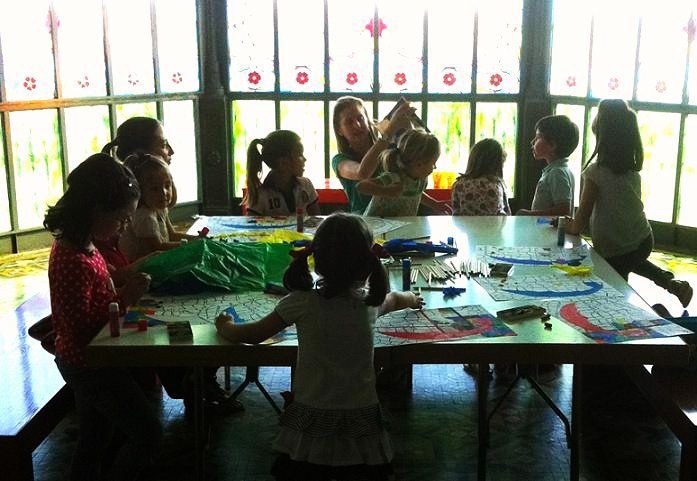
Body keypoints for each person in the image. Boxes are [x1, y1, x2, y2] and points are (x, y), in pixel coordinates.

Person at [215, 213, 424, 481]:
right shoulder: (369, 302)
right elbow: (395, 299)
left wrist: (226, 326)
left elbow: (255, 334)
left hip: (312, 417)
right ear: (366, 260)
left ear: (318, 257)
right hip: (361, 417)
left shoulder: (301, 301)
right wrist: (413, 298)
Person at [44, 153, 161, 481]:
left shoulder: (84, 246)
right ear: (96, 210)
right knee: (148, 434)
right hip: (89, 364)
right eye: (122, 219)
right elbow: (82, 326)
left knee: (94, 438)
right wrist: (125, 298)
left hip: (91, 360)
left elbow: (100, 284)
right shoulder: (72, 259)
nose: (125, 226)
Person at [565, 99, 693, 308]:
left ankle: (640, 317)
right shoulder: (632, 172)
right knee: (632, 258)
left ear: (601, 130)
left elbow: (580, 222)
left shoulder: (596, 173)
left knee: (613, 291)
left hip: (614, 249)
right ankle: (671, 283)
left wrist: (564, 224)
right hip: (642, 239)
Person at [332, 96, 416, 214]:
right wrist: (389, 131)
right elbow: (362, 173)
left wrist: (407, 125)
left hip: (397, 218)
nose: (357, 125)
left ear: (367, 120)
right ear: (339, 130)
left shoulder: (390, 149)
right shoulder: (339, 160)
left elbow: (410, 181)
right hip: (362, 224)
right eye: (349, 122)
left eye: (360, 118)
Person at [118, 153, 196, 261]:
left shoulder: (159, 208)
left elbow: (172, 234)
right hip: (141, 265)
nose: (164, 193)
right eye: (154, 189)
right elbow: (157, 248)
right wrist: (189, 245)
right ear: (140, 191)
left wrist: (197, 239)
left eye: (167, 185)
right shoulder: (144, 216)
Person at [357, 128, 450, 216]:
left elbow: (416, 193)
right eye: (433, 163)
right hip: (378, 226)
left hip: (401, 227)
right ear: (419, 163)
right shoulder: (394, 178)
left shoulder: (420, 181)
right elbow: (361, 186)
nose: (434, 167)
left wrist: (435, 204)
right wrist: (386, 191)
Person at [243, 130, 320, 216]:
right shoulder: (261, 196)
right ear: (283, 163)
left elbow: (316, 221)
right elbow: (252, 227)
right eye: (300, 155)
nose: (304, 159)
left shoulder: (306, 185)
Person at [517, 115, 579, 217]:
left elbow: (563, 209)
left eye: (538, 137)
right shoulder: (561, 170)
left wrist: (530, 215)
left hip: (549, 232)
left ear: (552, 145)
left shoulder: (557, 173)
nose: (532, 142)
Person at [451, 138, 511, 216]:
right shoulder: (497, 185)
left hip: (466, 228)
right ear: (496, 165)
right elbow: (507, 214)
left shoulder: (458, 185)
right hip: (493, 228)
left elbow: (456, 214)